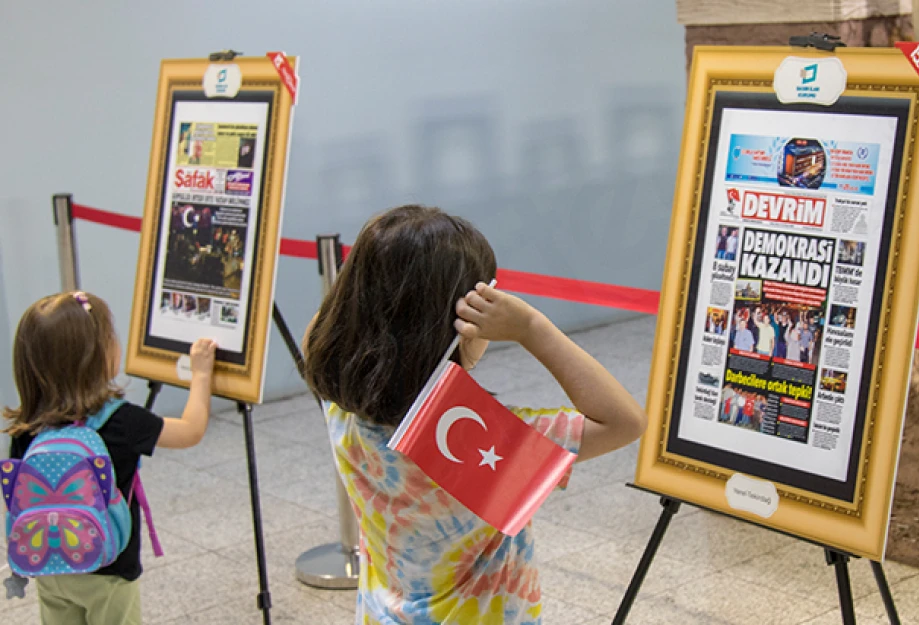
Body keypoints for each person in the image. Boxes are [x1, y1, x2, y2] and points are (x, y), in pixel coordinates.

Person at [301, 205, 647, 625]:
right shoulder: (488, 440)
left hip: (381, 613)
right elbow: (625, 421)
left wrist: (373, 287)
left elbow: (324, 329)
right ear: (462, 323)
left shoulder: (340, 401)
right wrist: (531, 328)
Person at [4, 291, 217, 625]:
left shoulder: (25, 428)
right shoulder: (122, 421)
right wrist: (201, 375)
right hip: (108, 567)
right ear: (98, 356)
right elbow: (191, 430)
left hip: (47, 563)